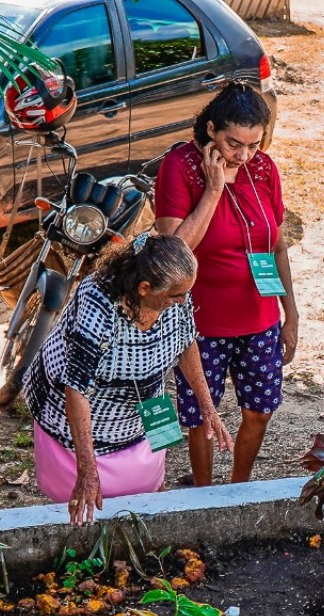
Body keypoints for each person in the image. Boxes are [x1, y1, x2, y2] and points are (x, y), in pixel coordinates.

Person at [23, 233, 232, 526]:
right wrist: (87, 469)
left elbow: (186, 343)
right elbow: (76, 389)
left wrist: (208, 407)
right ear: (145, 288)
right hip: (79, 422)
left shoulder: (176, 294)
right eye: (176, 295)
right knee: (83, 512)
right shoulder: (98, 303)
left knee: (150, 494)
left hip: (144, 409)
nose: (184, 301)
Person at [154, 81, 296, 487]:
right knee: (200, 413)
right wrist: (214, 189)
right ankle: (202, 490)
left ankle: (238, 486)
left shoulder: (264, 169)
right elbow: (173, 250)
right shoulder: (179, 166)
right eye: (234, 143)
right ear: (212, 129)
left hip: (260, 316)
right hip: (201, 323)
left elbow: (278, 247)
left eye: (253, 144)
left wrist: (292, 313)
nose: (243, 155)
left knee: (260, 409)